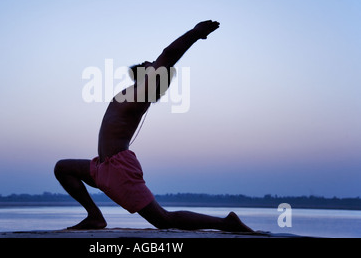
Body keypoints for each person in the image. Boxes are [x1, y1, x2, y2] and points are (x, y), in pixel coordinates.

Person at [54, 20, 253, 232]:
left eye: (153, 65)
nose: (150, 61)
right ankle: (94, 216)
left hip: (119, 169)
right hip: (102, 167)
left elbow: (169, 53)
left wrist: (196, 33)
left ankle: (226, 223)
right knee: (63, 168)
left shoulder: (142, 93)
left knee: (163, 220)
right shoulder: (134, 91)